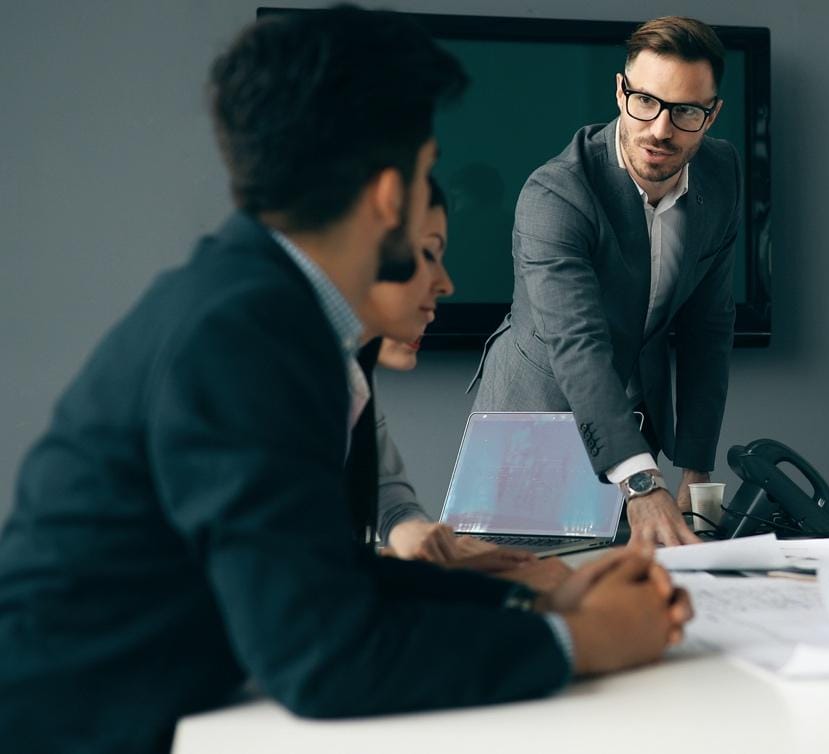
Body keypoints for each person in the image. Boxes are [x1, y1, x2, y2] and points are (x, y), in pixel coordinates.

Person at [0, 8, 690, 752]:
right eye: (427, 173)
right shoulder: (245, 335)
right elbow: (323, 658)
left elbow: (327, 583)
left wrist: (527, 600)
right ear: (391, 194)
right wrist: (581, 645)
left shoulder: (262, 304)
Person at [467, 16, 742, 547]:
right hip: (535, 432)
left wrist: (694, 468)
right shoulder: (556, 194)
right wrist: (641, 482)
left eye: (685, 111)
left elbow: (709, 325)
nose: (661, 129)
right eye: (645, 101)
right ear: (620, 91)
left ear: (712, 115)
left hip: (638, 426)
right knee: (533, 603)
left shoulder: (722, 171)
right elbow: (578, 344)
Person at [352, 177, 561, 585]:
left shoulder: (351, 379)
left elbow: (386, 496)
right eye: (427, 254)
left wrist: (425, 540)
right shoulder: (277, 383)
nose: (446, 284)